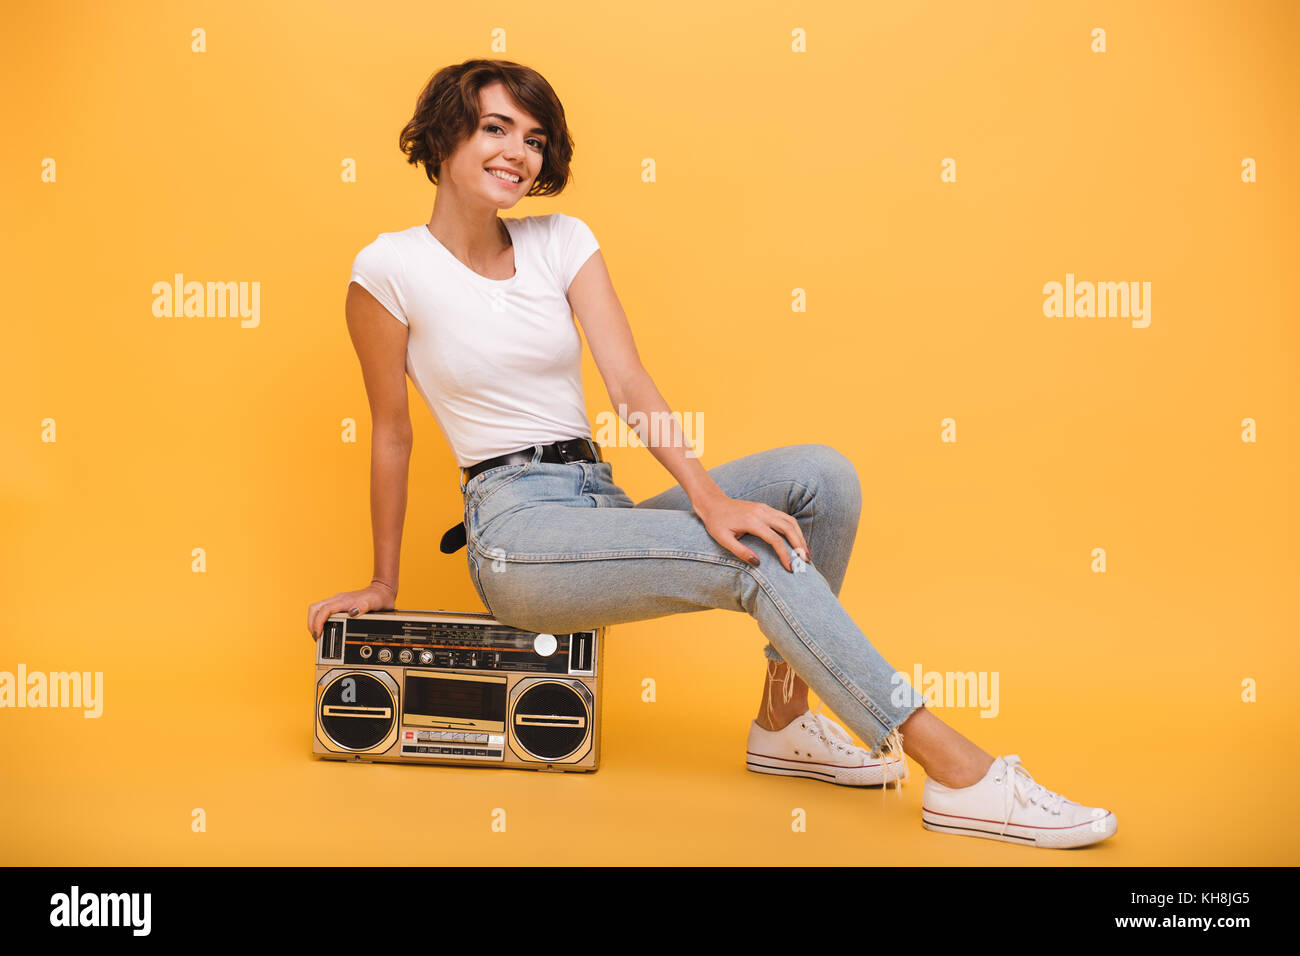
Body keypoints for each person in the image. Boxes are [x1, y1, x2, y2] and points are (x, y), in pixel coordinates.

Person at [307, 58, 1117, 850]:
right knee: (751, 556)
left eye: (536, 139)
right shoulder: (389, 269)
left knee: (821, 478)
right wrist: (384, 581)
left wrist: (704, 492)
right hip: (516, 534)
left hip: (598, 501)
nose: (519, 153)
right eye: (496, 128)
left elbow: (627, 380)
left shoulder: (561, 240)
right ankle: (958, 770)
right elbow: (392, 431)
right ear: (444, 135)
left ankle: (784, 720)